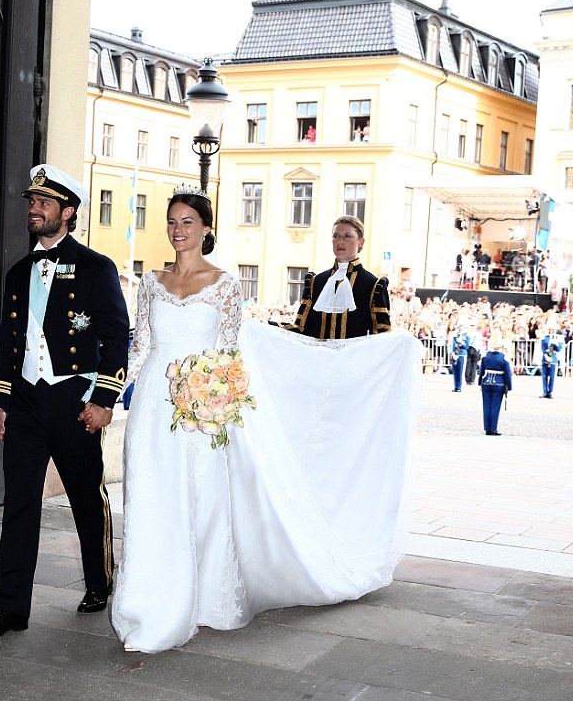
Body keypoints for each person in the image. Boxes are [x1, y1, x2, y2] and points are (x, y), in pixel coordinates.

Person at [111, 188, 419, 653]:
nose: (178, 230)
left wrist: (215, 401)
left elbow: (231, 353)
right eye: (172, 221)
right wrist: (108, 396)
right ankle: (146, 600)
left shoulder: (226, 284)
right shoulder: (151, 282)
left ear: (206, 228)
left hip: (201, 405)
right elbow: (139, 348)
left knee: (201, 501)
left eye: (187, 222)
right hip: (154, 400)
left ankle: (202, 599)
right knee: (150, 497)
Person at [0, 164, 129, 639]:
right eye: (31, 203)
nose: (33, 210)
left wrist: (103, 400)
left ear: (69, 211)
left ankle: (100, 581)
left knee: (85, 495)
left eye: (43, 203)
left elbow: (115, 339)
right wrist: (0, 400)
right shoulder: (18, 272)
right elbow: (8, 345)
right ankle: (10, 609)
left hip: (73, 400)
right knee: (19, 503)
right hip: (25, 403)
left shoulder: (97, 268)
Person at [281, 215, 391, 340]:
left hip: (354, 358)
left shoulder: (373, 285)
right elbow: (301, 329)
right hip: (317, 357)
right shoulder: (316, 282)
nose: (340, 241)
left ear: (361, 242)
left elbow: (382, 338)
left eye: (347, 236)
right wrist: (265, 327)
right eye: (336, 236)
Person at [478, 332, 512, 436]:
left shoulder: (486, 356)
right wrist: (509, 386)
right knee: (495, 407)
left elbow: (481, 371)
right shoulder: (503, 357)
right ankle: (493, 428)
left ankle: (487, 428)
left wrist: (480, 382)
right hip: (499, 383)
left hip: (486, 382)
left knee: (486, 405)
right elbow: (508, 374)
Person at [539, 319, 564, 399]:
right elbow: (542, 347)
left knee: (552, 376)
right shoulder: (544, 337)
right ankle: (545, 391)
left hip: (553, 358)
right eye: (550, 328)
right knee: (544, 376)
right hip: (545, 358)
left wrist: (556, 344)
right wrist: (545, 354)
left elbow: (560, 348)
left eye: (553, 329)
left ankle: (551, 392)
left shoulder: (558, 338)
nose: (552, 330)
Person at [450, 322, 473, 392]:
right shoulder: (455, 335)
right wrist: (452, 353)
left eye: (462, 326)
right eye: (459, 326)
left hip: (462, 354)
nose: (460, 327)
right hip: (455, 354)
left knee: (460, 371)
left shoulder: (467, 335)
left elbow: (467, 346)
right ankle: (456, 386)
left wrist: (462, 342)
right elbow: (453, 344)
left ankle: (459, 386)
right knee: (455, 371)